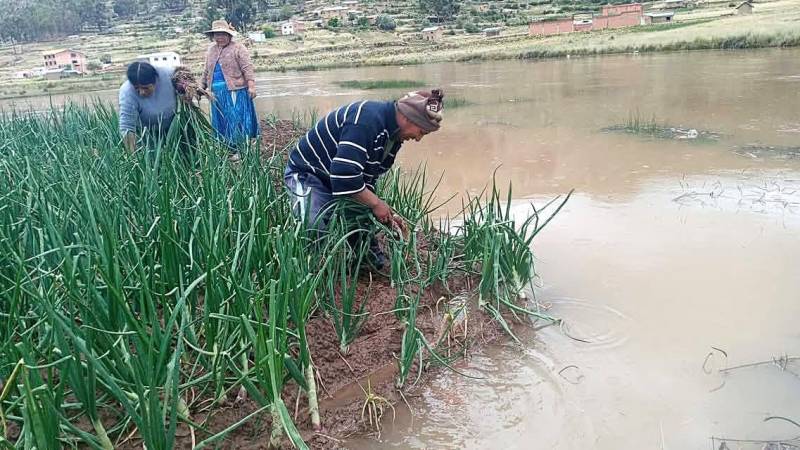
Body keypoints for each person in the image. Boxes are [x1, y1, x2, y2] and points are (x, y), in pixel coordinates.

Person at [284, 89, 444, 268]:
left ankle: (364, 260)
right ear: (408, 118)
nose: (418, 138)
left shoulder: (393, 136)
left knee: (360, 214)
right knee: (314, 225)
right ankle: (312, 272)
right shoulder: (367, 120)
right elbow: (344, 175)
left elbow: (364, 180)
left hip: (336, 177)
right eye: (421, 131)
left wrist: (386, 214)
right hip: (309, 174)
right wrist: (376, 204)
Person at [202, 19, 259, 161]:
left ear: (229, 35)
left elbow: (247, 68)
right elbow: (206, 71)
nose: (219, 37)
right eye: (216, 34)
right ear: (212, 36)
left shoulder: (238, 48)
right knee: (222, 120)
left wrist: (251, 86)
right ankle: (228, 147)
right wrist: (201, 87)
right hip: (216, 93)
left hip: (234, 90)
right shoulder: (211, 50)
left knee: (235, 119)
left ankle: (241, 148)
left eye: (222, 34)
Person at [118, 61, 179, 153]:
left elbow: (185, 78)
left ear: (155, 80)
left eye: (146, 88)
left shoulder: (169, 75)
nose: (142, 92)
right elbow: (127, 127)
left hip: (175, 129)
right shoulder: (127, 92)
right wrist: (133, 157)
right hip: (148, 134)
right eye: (137, 88)